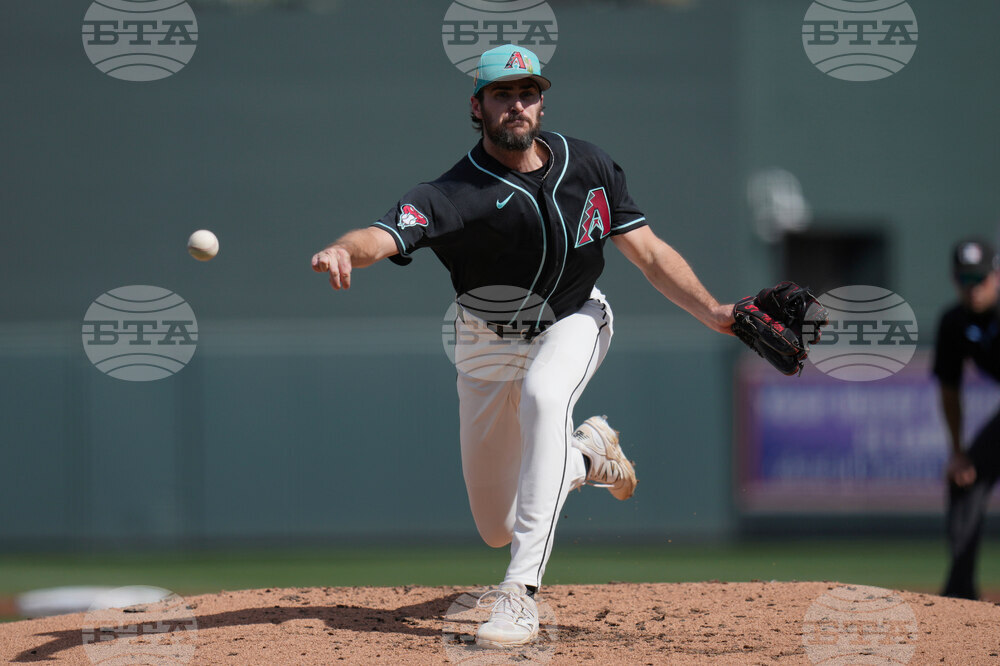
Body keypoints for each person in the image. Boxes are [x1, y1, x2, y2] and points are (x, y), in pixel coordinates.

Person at [311, 44, 734, 647]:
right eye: (503, 94)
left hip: (574, 317)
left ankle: (519, 595)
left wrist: (715, 312)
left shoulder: (588, 165)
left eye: (528, 92)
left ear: (542, 101)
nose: (517, 104)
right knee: (496, 523)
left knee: (543, 398)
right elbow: (381, 233)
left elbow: (649, 253)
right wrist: (343, 251)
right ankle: (587, 456)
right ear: (476, 107)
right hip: (485, 344)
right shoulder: (452, 193)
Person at [934, 237, 1000, 600]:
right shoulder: (953, 323)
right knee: (965, 478)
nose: (973, 289)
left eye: (980, 279)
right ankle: (960, 598)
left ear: (997, 277)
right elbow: (949, 390)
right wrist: (957, 451)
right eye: (965, 280)